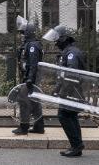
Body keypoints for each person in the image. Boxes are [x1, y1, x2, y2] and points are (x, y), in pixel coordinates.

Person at [42, 25, 85, 157]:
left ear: (64, 39)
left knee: (64, 116)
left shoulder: (72, 53)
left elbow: (71, 74)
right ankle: (77, 145)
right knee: (71, 116)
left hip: (71, 92)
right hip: (68, 91)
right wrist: (56, 90)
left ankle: (76, 145)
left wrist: (63, 91)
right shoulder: (67, 52)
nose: (55, 43)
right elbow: (63, 75)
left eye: (57, 40)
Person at [12, 16, 44, 135]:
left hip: (31, 77)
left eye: (23, 33)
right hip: (31, 76)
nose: (21, 35)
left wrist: (30, 78)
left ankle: (24, 127)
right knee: (34, 100)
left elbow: (33, 64)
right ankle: (39, 126)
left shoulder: (32, 46)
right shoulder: (30, 44)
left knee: (23, 99)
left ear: (28, 33)